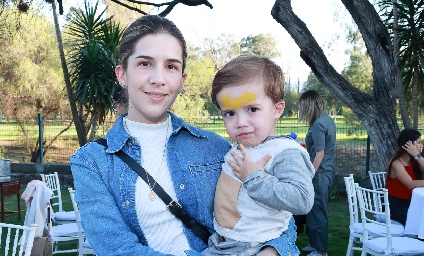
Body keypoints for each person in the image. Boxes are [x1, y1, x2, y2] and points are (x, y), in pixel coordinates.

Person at [70, 15, 299, 256]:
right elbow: (116, 249)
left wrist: (272, 250)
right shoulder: (91, 162)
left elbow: (276, 219)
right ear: (122, 74)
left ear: (182, 80)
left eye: (171, 66)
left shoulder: (216, 148)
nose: (158, 79)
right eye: (144, 63)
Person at [202, 55, 315, 256]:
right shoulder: (239, 147)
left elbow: (302, 200)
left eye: (252, 109)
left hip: (254, 247)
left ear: (277, 109)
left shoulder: (284, 151)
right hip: (221, 244)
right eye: (230, 113)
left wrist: (254, 178)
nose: (240, 122)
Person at [298, 90, 336, 256]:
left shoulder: (319, 124)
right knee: (312, 209)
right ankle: (314, 244)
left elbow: (319, 154)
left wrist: (309, 176)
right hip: (326, 169)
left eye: (302, 107)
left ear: (309, 105)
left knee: (318, 210)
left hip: (319, 172)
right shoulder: (326, 119)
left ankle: (321, 250)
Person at [386, 128, 424, 226]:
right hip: (398, 207)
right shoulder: (396, 163)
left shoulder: (414, 160)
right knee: (421, 220)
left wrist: (417, 155)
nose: (422, 146)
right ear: (409, 144)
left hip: (414, 203)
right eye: (419, 142)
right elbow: (410, 184)